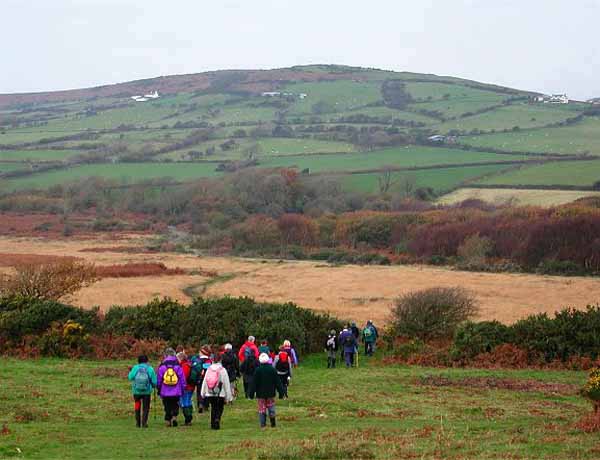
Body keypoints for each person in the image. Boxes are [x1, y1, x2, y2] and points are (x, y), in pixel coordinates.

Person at [249, 353, 285, 429]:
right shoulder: (272, 370)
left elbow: (254, 383)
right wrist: (281, 393)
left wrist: (251, 394)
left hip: (260, 394)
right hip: (270, 393)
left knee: (262, 409)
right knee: (271, 408)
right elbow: (278, 382)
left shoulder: (257, 370)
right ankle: (273, 424)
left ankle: (263, 425)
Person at [200, 353, 233, 430]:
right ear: (220, 360)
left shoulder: (209, 369)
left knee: (213, 407)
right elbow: (226, 383)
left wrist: (203, 392)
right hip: (220, 393)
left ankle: (212, 424)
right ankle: (217, 418)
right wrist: (229, 397)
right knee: (220, 407)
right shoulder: (222, 370)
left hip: (210, 392)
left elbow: (205, 381)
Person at [156, 348, 186, 427]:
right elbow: (182, 378)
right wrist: (183, 388)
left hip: (165, 390)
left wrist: (158, 387)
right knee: (175, 404)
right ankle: (174, 417)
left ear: (165, 355)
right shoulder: (177, 365)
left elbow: (159, 379)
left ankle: (168, 420)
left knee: (167, 405)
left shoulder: (162, 366)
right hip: (176, 390)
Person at [127, 355, 157, 428]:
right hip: (147, 392)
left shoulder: (135, 368)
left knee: (137, 406)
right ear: (147, 361)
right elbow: (154, 381)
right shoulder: (150, 369)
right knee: (146, 407)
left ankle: (138, 423)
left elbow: (130, 377)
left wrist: (131, 371)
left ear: (138, 361)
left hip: (136, 392)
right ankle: (144, 423)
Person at [191, 345, 212, 414]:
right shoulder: (209, 360)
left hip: (199, 379)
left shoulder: (197, 360)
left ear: (202, 352)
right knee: (207, 392)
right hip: (208, 379)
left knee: (199, 392)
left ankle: (200, 403)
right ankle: (206, 405)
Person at [177, 351, 195, 425]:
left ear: (181, 358)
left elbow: (183, 377)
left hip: (186, 387)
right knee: (188, 401)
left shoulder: (184, 366)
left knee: (185, 402)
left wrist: (181, 386)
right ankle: (189, 418)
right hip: (191, 386)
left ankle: (188, 419)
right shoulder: (188, 364)